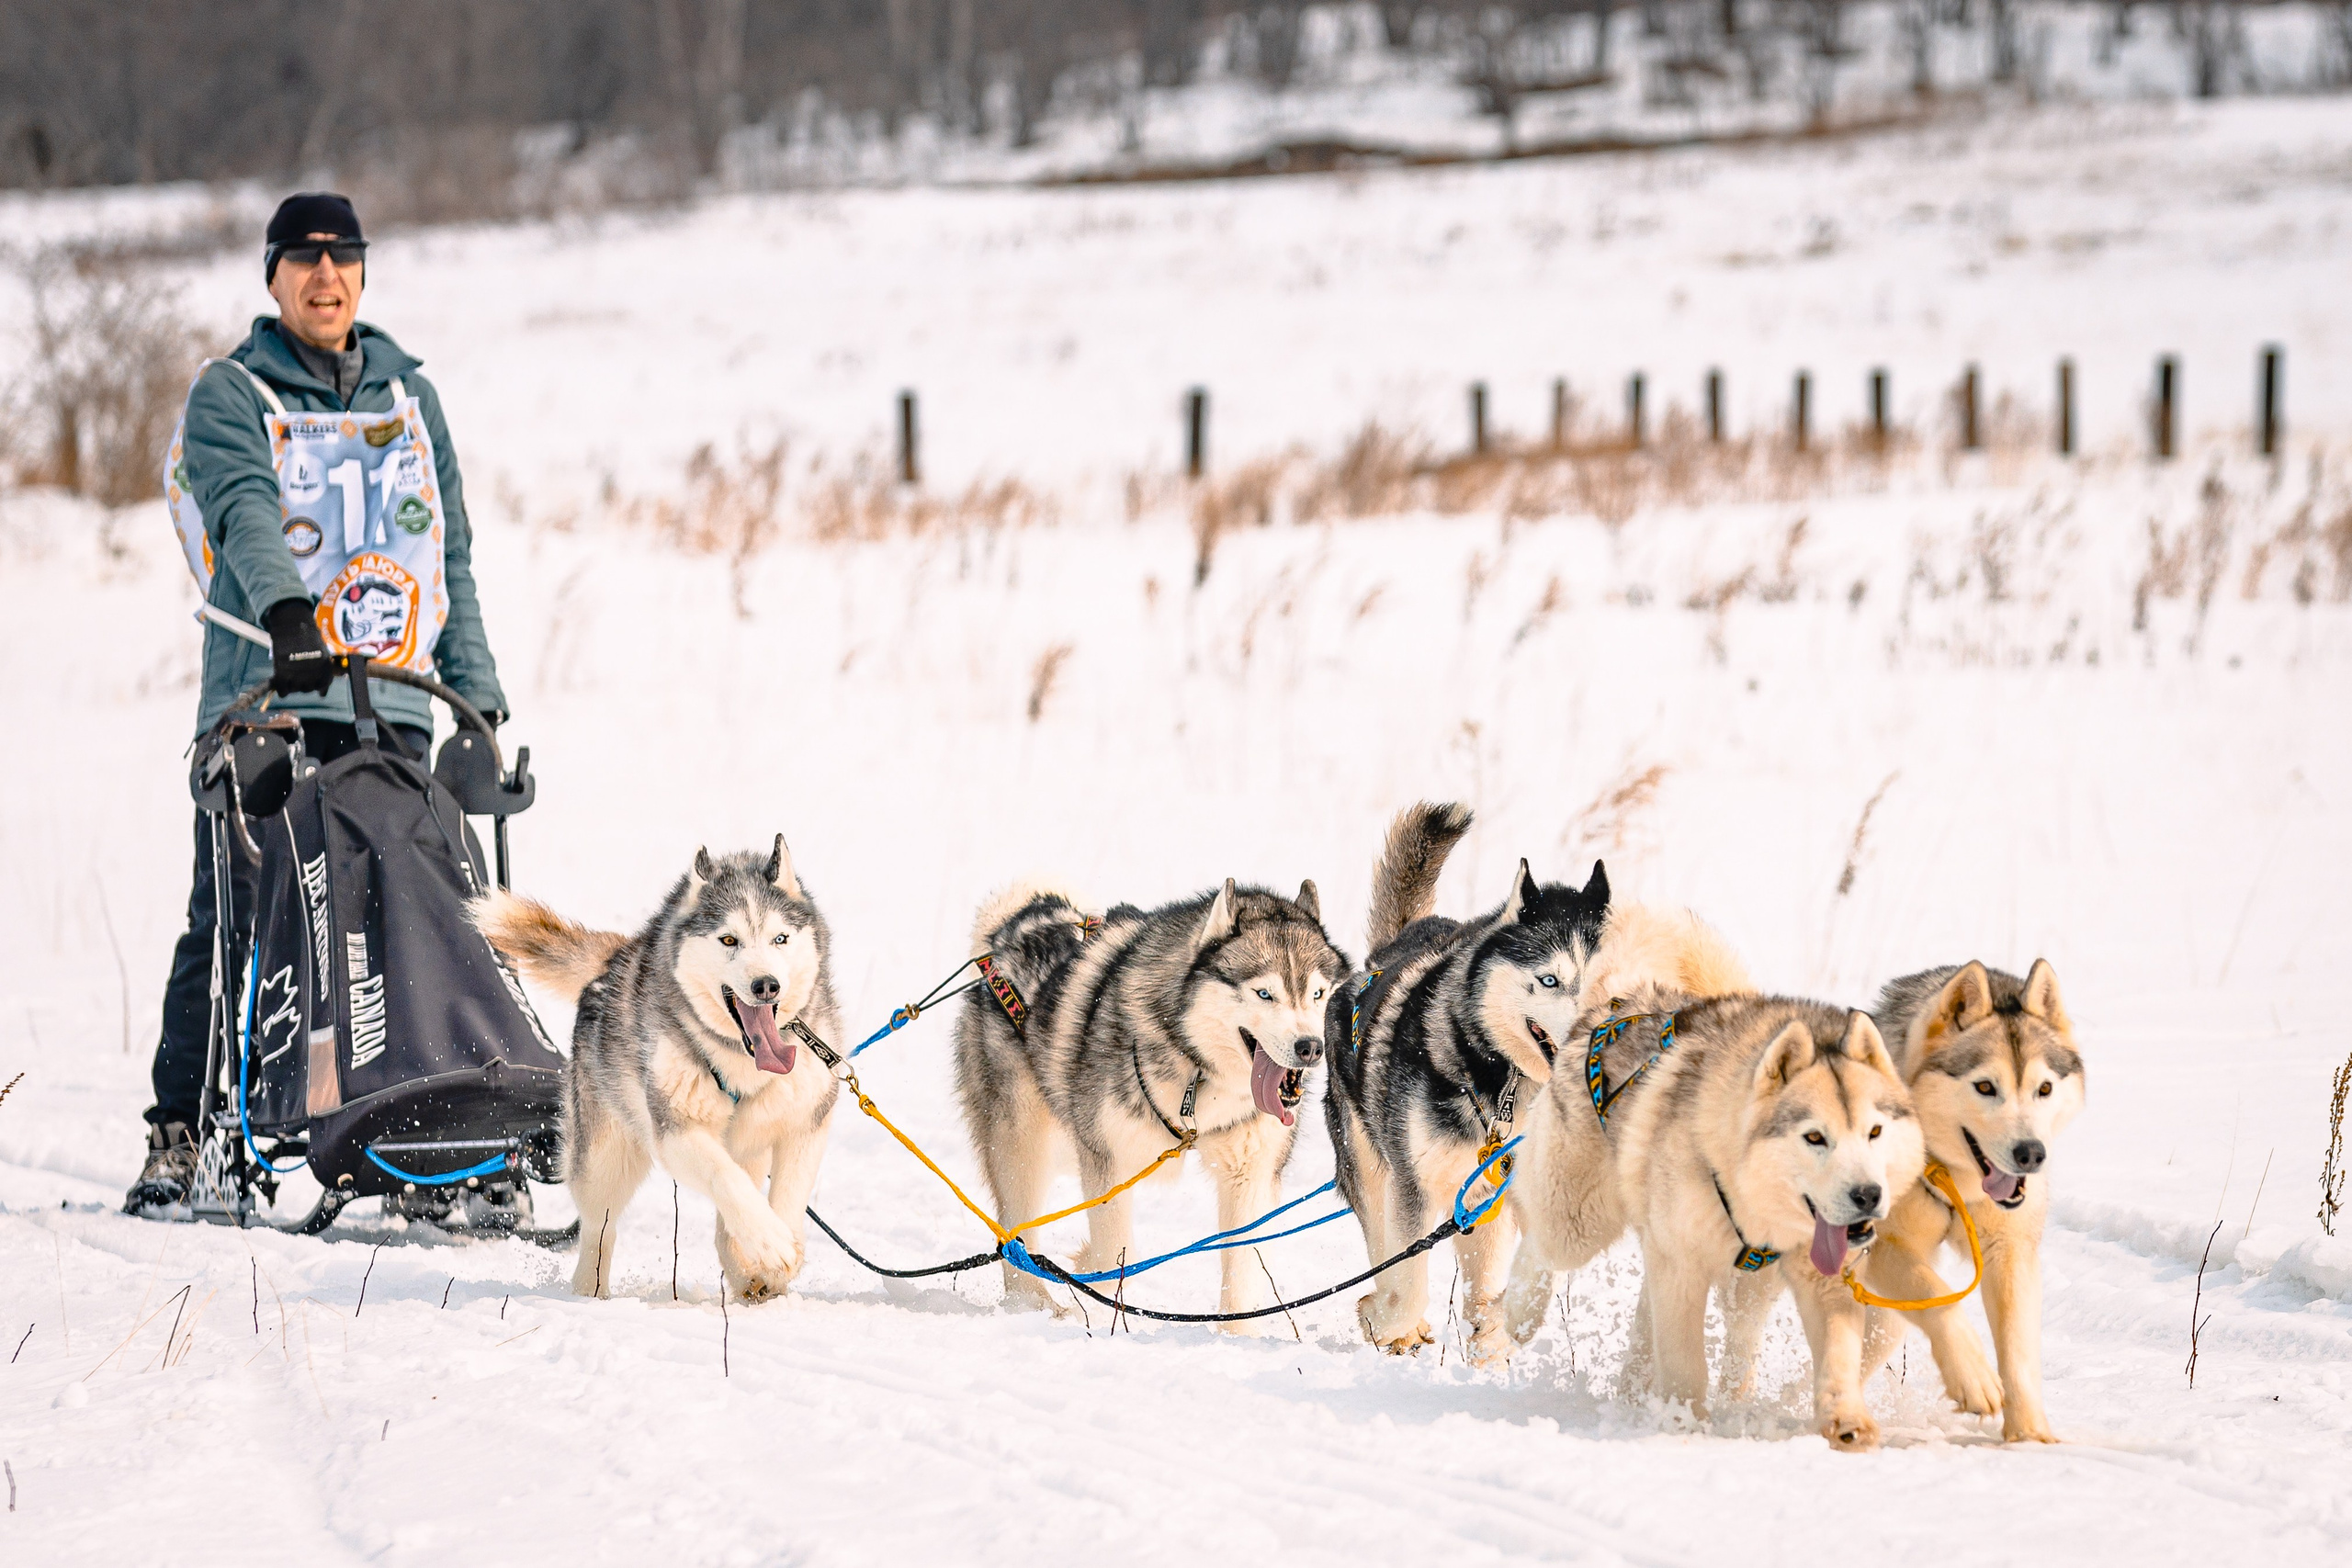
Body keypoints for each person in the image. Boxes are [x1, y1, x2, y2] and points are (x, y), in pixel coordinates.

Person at [126, 192, 508, 1213]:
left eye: (342, 258)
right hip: (268, 690)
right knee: (243, 909)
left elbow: (449, 550)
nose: (325, 276)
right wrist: (289, 611)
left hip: (395, 698)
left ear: (364, 275)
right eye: (304, 259)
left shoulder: (408, 398)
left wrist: (478, 699)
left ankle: (417, 1134)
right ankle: (186, 1129)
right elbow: (243, 503)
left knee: (414, 905)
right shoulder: (231, 391)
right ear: (273, 277)